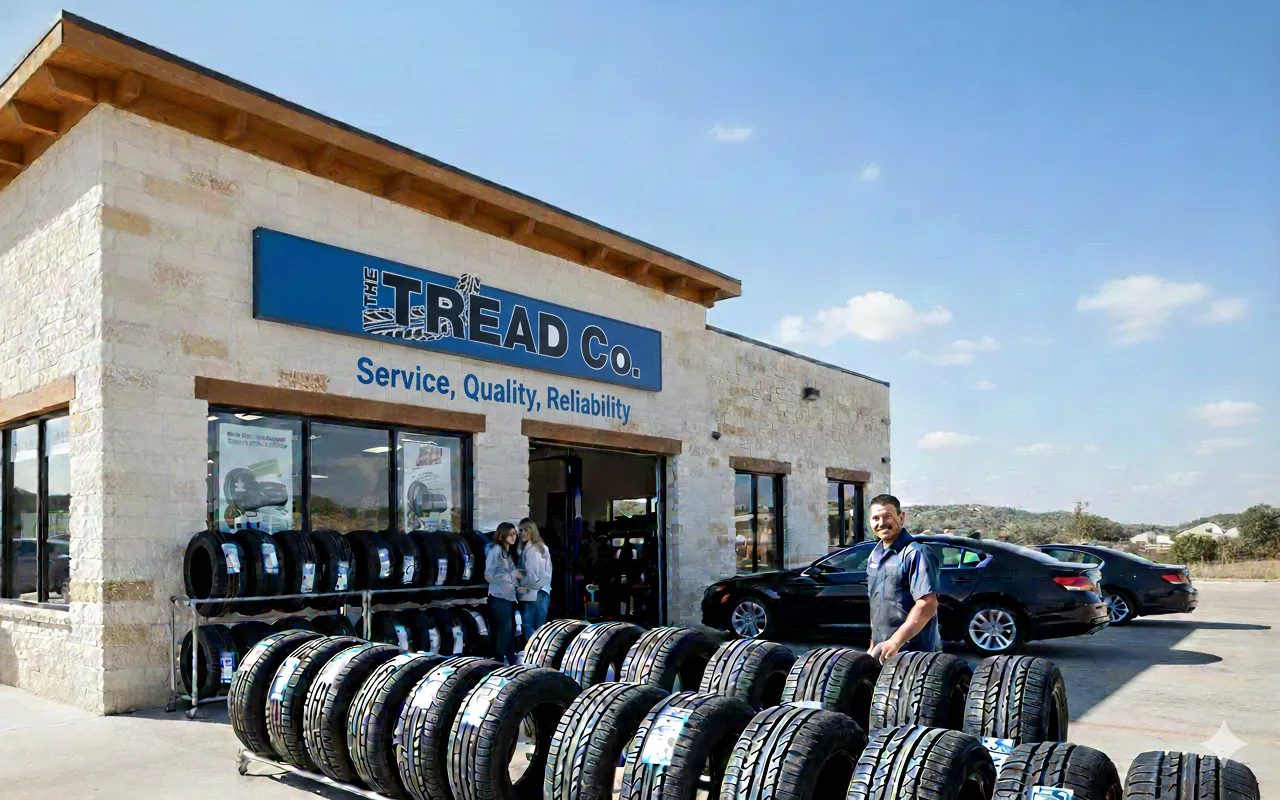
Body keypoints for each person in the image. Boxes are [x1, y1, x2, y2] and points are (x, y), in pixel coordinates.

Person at [865, 494, 942, 662]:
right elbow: (876, 606)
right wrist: (873, 644)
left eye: (887, 516)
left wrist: (895, 641)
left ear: (901, 517)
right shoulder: (874, 556)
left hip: (915, 655)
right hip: (884, 650)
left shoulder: (916, 553)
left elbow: (927, 603)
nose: (881, 523)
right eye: (875, 518)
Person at [485, 522, 523, 665]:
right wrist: (510, 574)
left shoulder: (508, 553)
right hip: (499, 597)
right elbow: (489, 575)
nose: (514, 537)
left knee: (510, 629)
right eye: (510, 534)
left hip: (509, 596)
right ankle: (500, 659)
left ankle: (509, 657)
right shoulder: (496, 551)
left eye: (515, 534)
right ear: (502, 535)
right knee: (504, 629)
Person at [517, 518, 552, 640]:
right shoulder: (541, 547)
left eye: (526, 530)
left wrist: (522, 584)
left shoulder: (531, 550)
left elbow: (532, 575)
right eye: (520, 530)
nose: (522, 533)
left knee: (529, 626)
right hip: (543, 591)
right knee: (539, 629)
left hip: (533, 593)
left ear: (532, 531)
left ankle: (534, 655)